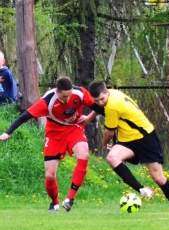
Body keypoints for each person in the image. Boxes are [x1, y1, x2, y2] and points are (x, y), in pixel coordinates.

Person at [0, 76, 103, 212]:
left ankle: (70, 199)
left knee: (84, 155)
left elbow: (99, 107)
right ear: (57, 91)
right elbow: (24, 116)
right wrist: (8, 132)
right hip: (54, 133)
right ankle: (54, 202)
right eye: (64, 96)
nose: (68, 99)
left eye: (69, 95)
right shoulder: (47, 102)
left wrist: (95, 118)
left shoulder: (79, 93)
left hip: (74, 128)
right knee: (49, 175)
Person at [88, 81, 169, 213]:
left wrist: (104, 144)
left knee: (158, 177)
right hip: (128, 140)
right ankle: (142, 190)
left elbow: (109, 132)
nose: (100, 103)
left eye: (102, 99)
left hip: (145, 138)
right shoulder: (112, 95)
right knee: (112, 158)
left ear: (107, 92)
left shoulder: (112, 105)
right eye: (96, 101)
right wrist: (88, 118)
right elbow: (100, 109)